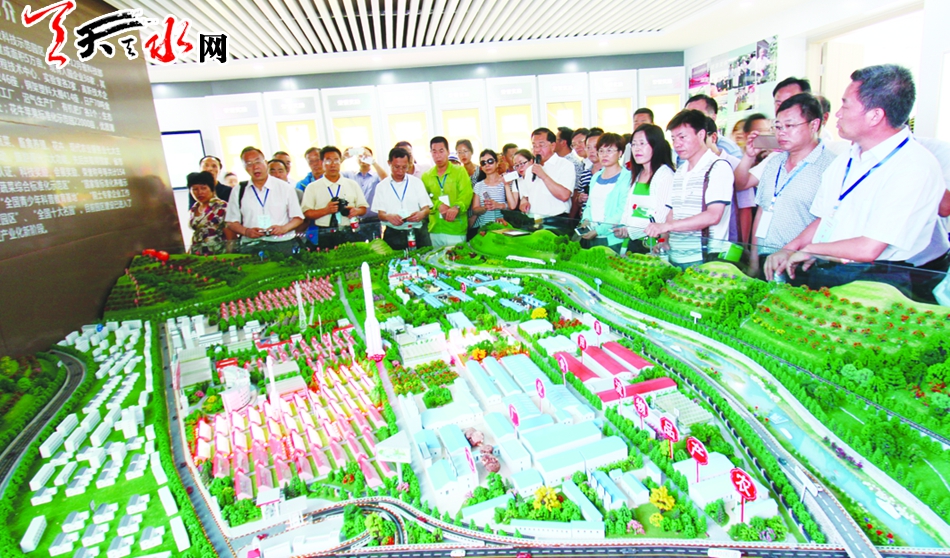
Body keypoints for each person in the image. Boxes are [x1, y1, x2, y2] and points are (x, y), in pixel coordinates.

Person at [764, 65, 945, 288]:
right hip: (830, 267)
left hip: (878, 280)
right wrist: (790, 248)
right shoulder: (846, 159)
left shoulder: (913, 166)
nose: (838, 113)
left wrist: (810, 250)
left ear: (875, 115)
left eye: (845, 105)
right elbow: (826, 217)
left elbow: (870, 248)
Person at [733, 94, 836, 274]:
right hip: (766, 260)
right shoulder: (774, 162)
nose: (781, 132)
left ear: (814, 125)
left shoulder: (831, 167)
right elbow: (762, 211)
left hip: (801, 265)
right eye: (778, 126)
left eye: (789, 126)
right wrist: (754, 261)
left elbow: (829, 221)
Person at [644, 110, 734, 265]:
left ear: (701, 135)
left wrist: (667, 226)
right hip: (676, 255)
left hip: (702, 258)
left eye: (682, 137)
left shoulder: (718, 167)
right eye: (673, 138)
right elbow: (673, 211)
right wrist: (665, 238)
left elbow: (713, 215)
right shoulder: (680, 171)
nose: (677, 144)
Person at [225, 146, 304, 255]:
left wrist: (283, 228)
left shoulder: (285, 187)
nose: (255, 167)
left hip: (282, 243)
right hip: (251, 244)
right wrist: (246, 231)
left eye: (258, 161)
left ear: (266, 163)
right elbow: (231, 221)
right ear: (244, 168)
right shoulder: (238, 190)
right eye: (249, 164)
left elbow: (298, 218)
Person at [614, 124, 676, 252]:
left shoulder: (665, 174)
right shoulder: (638, 173)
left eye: (642, 143)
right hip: (633, 240)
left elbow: (661, 217)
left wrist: (629, 230)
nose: (637, 149)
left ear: (655, 146)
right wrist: (622, 226)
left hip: (652, 243)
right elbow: (628, 208)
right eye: (634, 144)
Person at [301, 146, 369, 250]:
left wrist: (356, 211)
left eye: (336, 160)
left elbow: (363, 208)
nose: (333, 165)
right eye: (328, 161)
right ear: (321, 162)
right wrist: (326, 210)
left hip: (349, 229)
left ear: (340, 162)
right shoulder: (312, 187)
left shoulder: (352, 184)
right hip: (324, 232)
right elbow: (307, 213)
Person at [577, 133, 632, 252]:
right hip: (592, 234)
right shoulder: (596, 176)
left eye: (609, 150)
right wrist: (585, 221)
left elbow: (622, 211)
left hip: (613, 239)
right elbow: (589, 205)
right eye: (601, 151)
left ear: (620, 153)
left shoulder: (627, 177)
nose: (604, 155)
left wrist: (598, 231)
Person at [372, 147, 432, 251]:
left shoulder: (416, 182)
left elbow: (426, 209)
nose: (400, 171)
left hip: (418, 232)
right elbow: (381, 214)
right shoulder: (382, 186)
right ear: (389, 163)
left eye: (404, 167)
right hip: (394, 234)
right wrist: (388, 217)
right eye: (396, 167)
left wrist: (421, 214)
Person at [423, 136, 473, 247]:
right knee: (435, 257)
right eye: (434, 152)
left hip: (456, 228)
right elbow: (424, 199)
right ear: (431, 153)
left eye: (441, 151)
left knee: (456, 257)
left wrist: (457, 207)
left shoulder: (459, 171)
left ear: (448, 152)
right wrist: (438, 205)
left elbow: (466, 194)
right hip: (435, 229)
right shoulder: (426, 176)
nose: (438, 155)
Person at [518, 128, 575, 218]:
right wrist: (524, 202)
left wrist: (543, 176)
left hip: (557, 218)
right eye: (534, 146)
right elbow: (526, 195)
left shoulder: (565, 165)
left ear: (553, 146)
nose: (537, 150)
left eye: (541, 145)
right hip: (535, 219)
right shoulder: (530, 170)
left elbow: (564, 195)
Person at [684, 94, 742, 160]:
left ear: (713, 117)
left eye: (696, 115)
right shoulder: (680, 146)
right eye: (686, 116)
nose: (690, 120)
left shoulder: (731, 151)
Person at [342, 146, 388, 226]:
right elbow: (331, 174)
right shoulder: (349, 174)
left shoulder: (376, 176)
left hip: (373, 220)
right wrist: (343, 158)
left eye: (366, 156)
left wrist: (373, 162)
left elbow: (386, 180)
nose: (363, 158)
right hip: (353, 219)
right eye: (360, 155)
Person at [472, 149, 518, 228]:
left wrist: (499, 205)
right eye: (483, 163)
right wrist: (484, 208)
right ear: (481, 167)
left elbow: (514, 206)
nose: (487, 165)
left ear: (497, 163)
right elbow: (475, 209)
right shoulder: (478, 186)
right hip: (485, 228)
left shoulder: (506, 181)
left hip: (504, 228)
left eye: (490, 161)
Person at [187, 171, 229, 256]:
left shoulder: (222, 207)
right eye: (195, 189)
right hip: (197, 255)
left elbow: (231, 238)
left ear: (211, 188)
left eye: (203, 188)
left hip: (218, 255)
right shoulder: (194, 208)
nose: (199, 192)